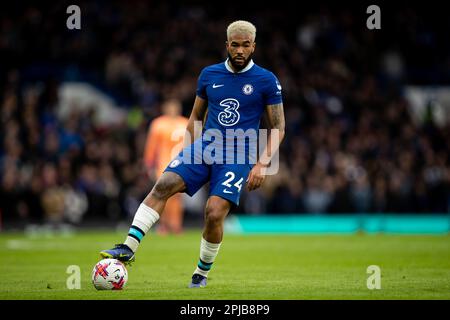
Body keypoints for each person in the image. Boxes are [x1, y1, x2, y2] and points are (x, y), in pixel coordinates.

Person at [100, 20, 286, 288]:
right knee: (163, 184)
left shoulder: (266, 80)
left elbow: (279, 126)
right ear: (227, 45)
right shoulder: (209, 75)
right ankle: (128, 247)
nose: (240, 51)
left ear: (254, 46)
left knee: (213, 211)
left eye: (246, 45)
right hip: (205, 148)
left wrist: (262, 164)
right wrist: (191, 152)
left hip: (238, 154)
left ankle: (201, 273)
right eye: (235, 45)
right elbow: (196, 116)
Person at [143, 98, 188, 234]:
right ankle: (164, 225)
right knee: (162, 196)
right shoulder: (158, 124)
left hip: (181, 165)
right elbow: (151, 146)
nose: (173, 109)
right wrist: (149, 164)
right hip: (163, 165)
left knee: (177, 196)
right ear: (165, 108)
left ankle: (176, 225)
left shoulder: (185, 122)